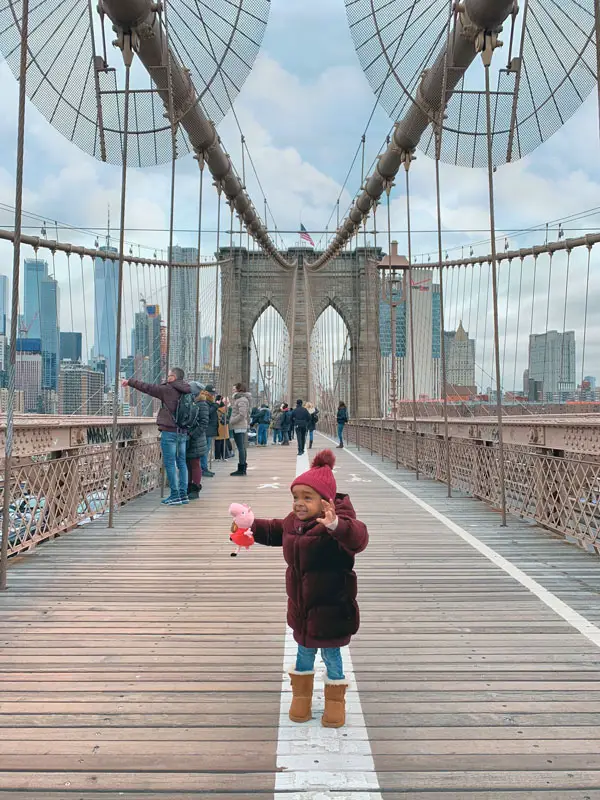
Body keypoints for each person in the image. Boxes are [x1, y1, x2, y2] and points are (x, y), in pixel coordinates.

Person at [250, 450, 368, 728]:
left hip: (331, 610)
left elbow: (358, 538)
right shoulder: (294, 523)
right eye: (295, 497)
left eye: (307, 498)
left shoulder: (337, 528)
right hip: (302, 608)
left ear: (326, 502)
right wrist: (251, 527)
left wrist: (336, 526)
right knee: (303, 652)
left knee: (331, 656)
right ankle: (301, 699)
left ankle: (335, 703)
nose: (299, 504)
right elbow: (276, 530)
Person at [122, 367, 192, 505]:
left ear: (173, 377)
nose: (167, 378)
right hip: (183, 432)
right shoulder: (188, 390)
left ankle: (175, 495)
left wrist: (129, 382)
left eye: (169, 376)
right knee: (182, 463)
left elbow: (147, 387)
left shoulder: (167, 389)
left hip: (170, 431)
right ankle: (183, 494)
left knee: (170, 463)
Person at [185, 381, 209, 500]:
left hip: (196, 439)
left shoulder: (202, 404)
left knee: (195, 463)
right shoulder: (192, 402)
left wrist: (192, 435)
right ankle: (189, 487)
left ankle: (195, 488)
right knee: (188, 464)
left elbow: (204, 423)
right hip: (190, 437)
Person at [229, 383, 251, 476]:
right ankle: (243, 468)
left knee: (241, 448)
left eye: (234, 389)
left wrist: (232, 421)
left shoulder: (241, 400)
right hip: (241, 426)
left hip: (239, 426)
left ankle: (241, 468)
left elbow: (242, 414)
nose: (232, 390)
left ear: (239, 390)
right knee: (242, 447)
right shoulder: (241, 399)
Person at [202, 384, 218, 477]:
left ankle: (204, 468)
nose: (213, 395)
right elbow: (207, 412)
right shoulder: (204, 400)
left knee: (206, 449)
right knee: (205, 450)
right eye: (211, 393)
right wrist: (215, 405)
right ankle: (203, 469)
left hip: (209, 429)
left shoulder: (209, 400)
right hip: (206, 429)